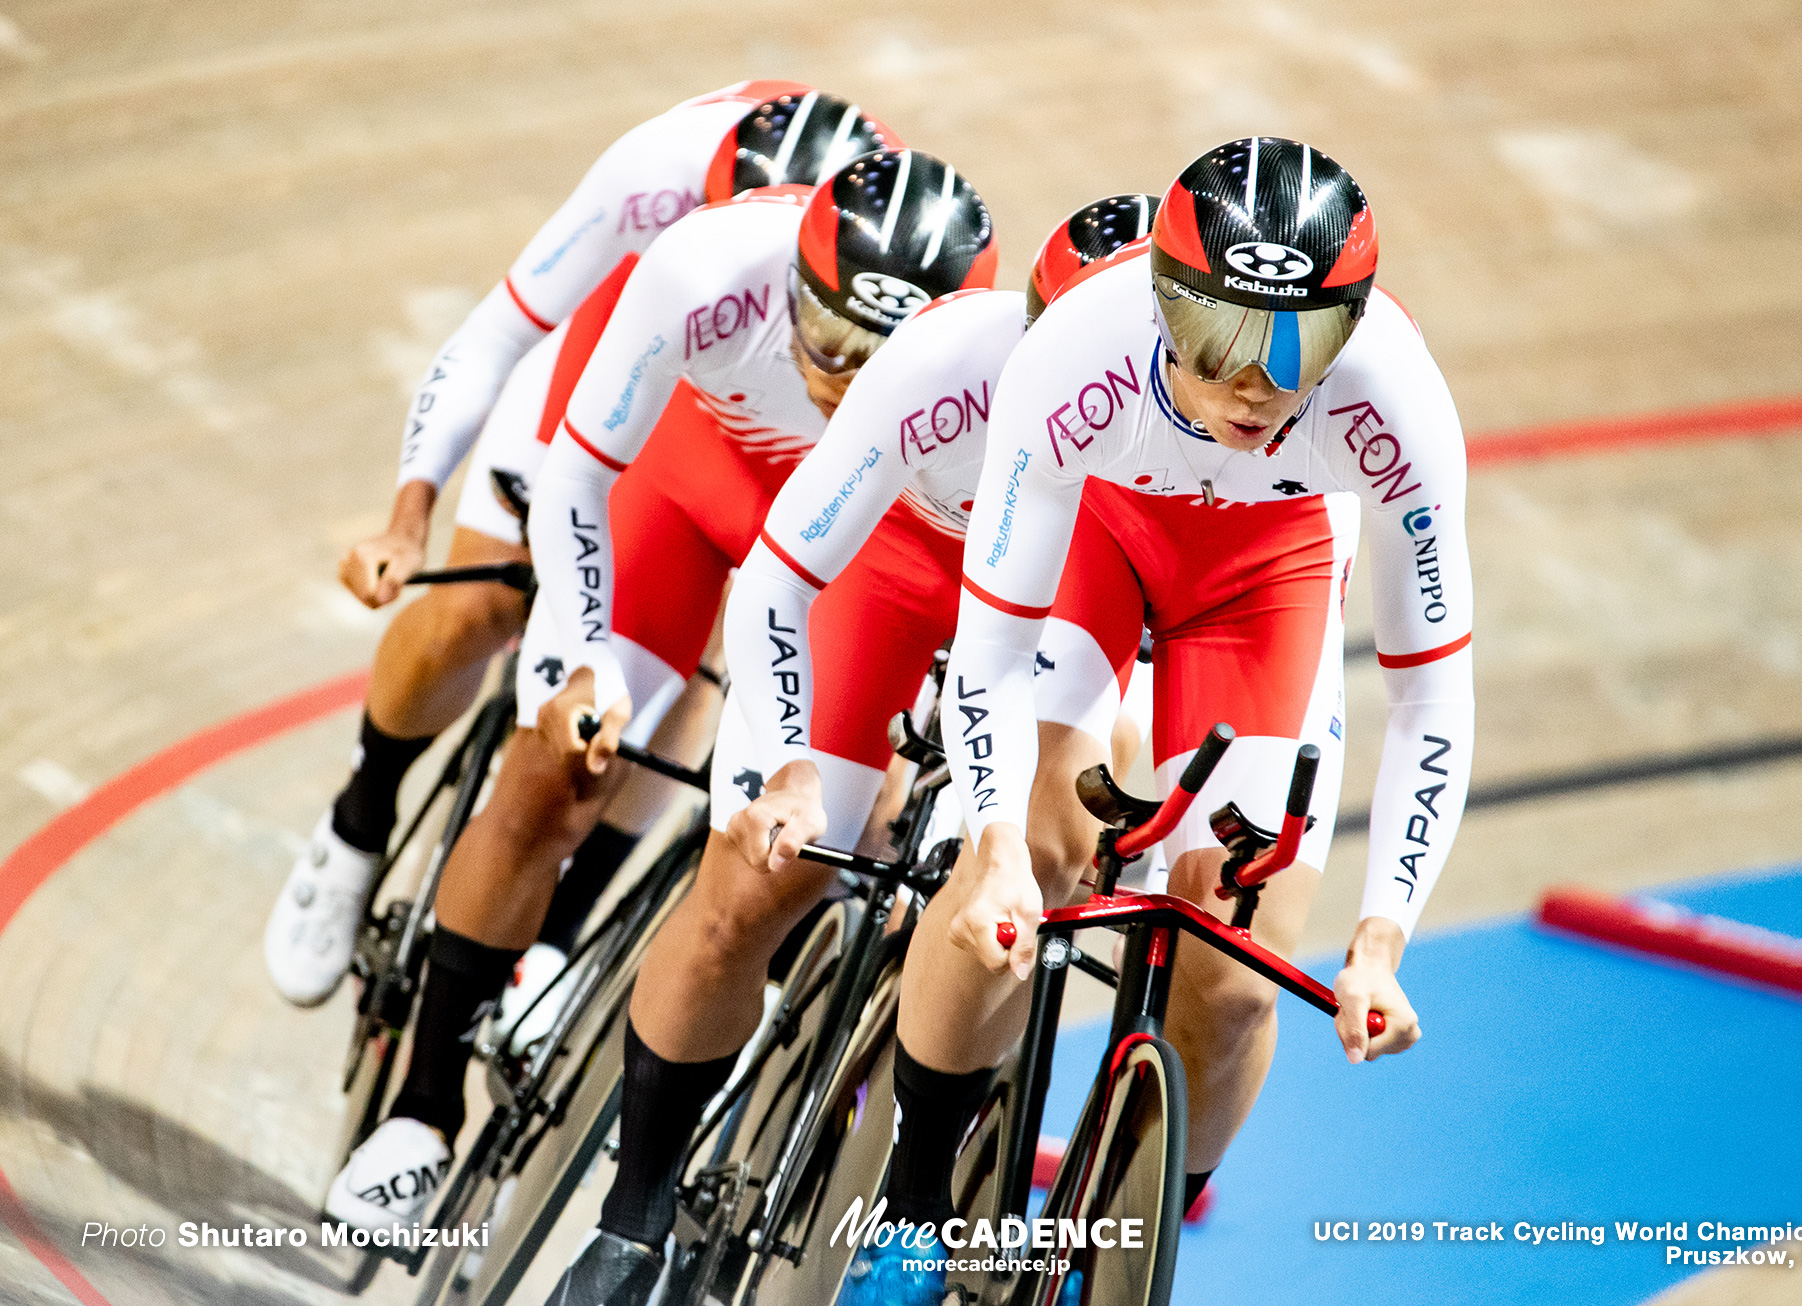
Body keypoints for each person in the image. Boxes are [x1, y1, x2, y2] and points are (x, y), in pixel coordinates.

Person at [323, 150, 987, 1252]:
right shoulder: (708, 268)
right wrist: (576, 660)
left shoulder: (975, 380)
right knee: (559, 765)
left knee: (831, 833)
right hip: (699, 475)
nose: (835, 375)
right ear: (795, 286)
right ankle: (420, 1108)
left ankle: (686, 1009)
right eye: (820, 340)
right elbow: (578, 477)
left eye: (872, 363)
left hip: (854, 536)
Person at [863, 138, 1477, 1304]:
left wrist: (1383, 938)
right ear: (1159, 301)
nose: (1255, 383)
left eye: (1301, 343)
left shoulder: (1396, 399)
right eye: (1218, 341)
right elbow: (989, 651)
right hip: (1106, 534)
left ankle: (1126, 1225)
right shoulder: (1074, 357)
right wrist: (992, 850)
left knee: (1241, 983)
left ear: (1350, 329)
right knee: (1034, 855)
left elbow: (1432, 691)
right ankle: (910, 1201)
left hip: (1269, 572)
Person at [535, 192, 1152, 1306]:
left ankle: (914, 1203)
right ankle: (632, 1216)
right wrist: (787, 761)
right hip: (890, 568)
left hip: (1060, 621)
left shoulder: (1232, 443)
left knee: (1036, 875)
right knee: (753, 880)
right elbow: (777, 576)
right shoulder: (938, 363)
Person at [263, 82, 889, 1010]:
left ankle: (560, 927)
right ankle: (361, 816)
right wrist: (410, 513)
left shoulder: (876, 243)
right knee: (481, 602)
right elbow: (498, 335)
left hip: (763, 412)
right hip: (618, 356)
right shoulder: (658, 176)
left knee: (713, 652)